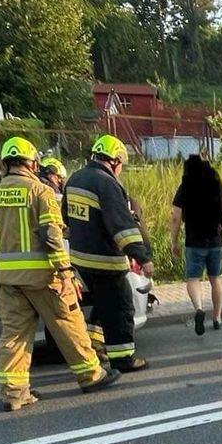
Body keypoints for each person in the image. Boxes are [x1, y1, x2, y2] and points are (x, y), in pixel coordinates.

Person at [0, 136, 120, 411]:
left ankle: (15, 394)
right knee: (68, 324)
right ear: (32, 163)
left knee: (13, 336)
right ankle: (91, 375)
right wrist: (66, 272)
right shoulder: (39, 192)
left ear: (6, 163)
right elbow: (51, 236)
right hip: (43, 277)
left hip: (8, 280)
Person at [62, 134, 154, 372]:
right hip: (105, 261)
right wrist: (142, 256)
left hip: (81, 261)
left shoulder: (75, 179)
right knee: (121, 308)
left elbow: (65, 219)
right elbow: (122, 226)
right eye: (121, 164)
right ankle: (123, 359)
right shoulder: (107, 183)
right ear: (114, 161)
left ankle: (95, 347)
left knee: (102, 306)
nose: (120, 169)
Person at [171, 154, 222, 334]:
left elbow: (175, 218)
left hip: (194, 242)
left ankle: (199, 309)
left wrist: (174, 242)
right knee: (216, 279)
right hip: (216, 241)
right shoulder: (217, 187)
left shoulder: (185, 187)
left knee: (193, 279)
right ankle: (217, 317)